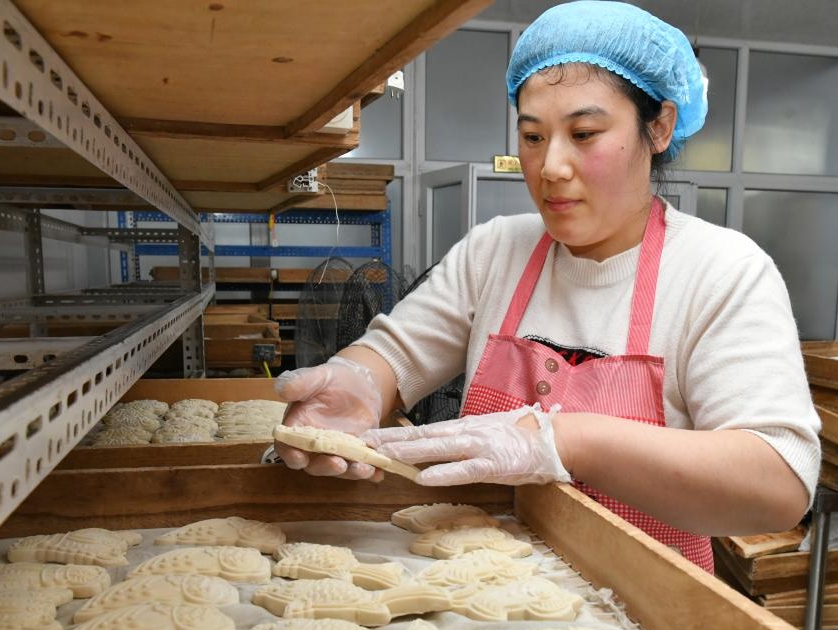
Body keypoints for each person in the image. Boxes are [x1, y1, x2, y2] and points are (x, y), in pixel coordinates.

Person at [273, 1, 820, 573]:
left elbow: (777, 483)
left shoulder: (719, 270)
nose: (551, 166)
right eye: (533, 137)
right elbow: (395, 354)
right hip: (480, 593)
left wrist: (563, 441)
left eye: (584, 133)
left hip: (646, 616)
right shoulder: (497, 250)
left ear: (657, 128)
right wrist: (360, 383)